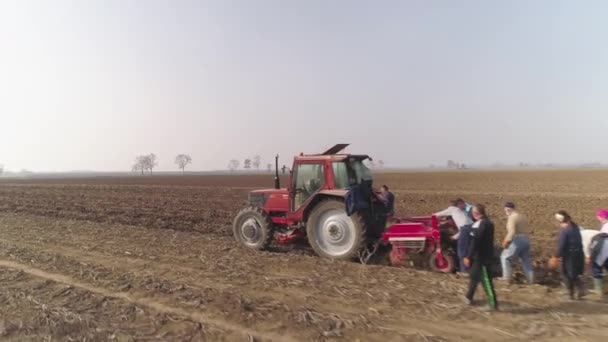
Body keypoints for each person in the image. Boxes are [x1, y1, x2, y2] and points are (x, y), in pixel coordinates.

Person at [463, 204, 498, 310]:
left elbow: (475, 242)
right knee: (474, 276)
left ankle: (493, 304)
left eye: (473, 213)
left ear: (476, 213)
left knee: (486, 280)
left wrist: (468, 256)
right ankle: (469, 297)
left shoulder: (480, 224)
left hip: (482, 257)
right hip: (482, 255)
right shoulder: (488, 223)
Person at [549, 210, 585, 300]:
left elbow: (561, 245)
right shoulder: (575, 226)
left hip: (570, 255)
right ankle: (578, 290)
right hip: (579, 253)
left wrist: (556, 257)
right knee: (574, 273)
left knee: (566, 274)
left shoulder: (565, 231)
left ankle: (571, 294)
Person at [435, 198, 473, 273]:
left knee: (462, 252)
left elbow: (438, 214)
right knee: (467, 251)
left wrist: (432, 215)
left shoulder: (453, 209)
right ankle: (466, 269)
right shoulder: (460, 213)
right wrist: (454, 237)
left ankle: (464, 271)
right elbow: (463, 228)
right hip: (471, 230)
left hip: (466, 230)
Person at [500, 202, 533, 284]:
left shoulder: (512, 218)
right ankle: (531, 280)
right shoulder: (522, 216)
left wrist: (506, 241)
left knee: (505, 257)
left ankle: (506, 279)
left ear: (508, 209)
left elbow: (512, 232)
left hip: (518, 240)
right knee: (525, 260)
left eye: (506, 210)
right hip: (526, 239)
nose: (506, 212)